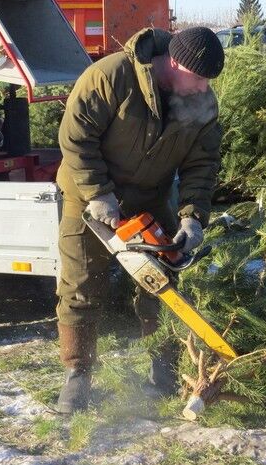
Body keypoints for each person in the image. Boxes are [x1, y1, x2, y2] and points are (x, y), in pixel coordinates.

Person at [54, 26, 225, 414]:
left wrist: (193, 216)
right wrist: (98, 192)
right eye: (198, 78)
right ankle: (78, 375)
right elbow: (75, 137)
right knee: (81, 285)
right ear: (175, 62)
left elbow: (203, 163)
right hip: (88, 198)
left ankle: (163, 370)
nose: (202, 89)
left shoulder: (201, 103)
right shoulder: (112, 75)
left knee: (161, 286)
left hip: (150, 198)